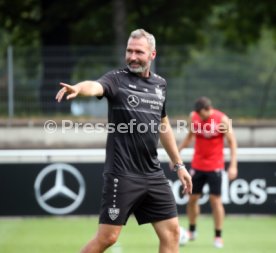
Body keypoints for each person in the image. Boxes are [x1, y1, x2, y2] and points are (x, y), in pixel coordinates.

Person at [56, 29, 192, 253]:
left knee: (172, 233)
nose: (132, 57)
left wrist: (179, 165)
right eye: (129, 51)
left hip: (153, 173)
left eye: (139, 52)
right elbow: (96, 86)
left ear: (152, 55)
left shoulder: (160, 85)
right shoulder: (116, 79)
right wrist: (79, 88)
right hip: (122, 173)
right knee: (107, 238)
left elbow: (163, 124)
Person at [178, 96, 238, 248]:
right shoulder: (194, 117)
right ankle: (192, 230)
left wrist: (233, 166)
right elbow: (189, 137)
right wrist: (176, 154)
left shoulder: (222, 120)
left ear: (208, 109)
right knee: (192, 199)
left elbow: (232, 143)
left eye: (202, 113)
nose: (200, 116)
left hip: (215, 166)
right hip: (197, 165)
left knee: (215, 201)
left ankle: (218, 236)